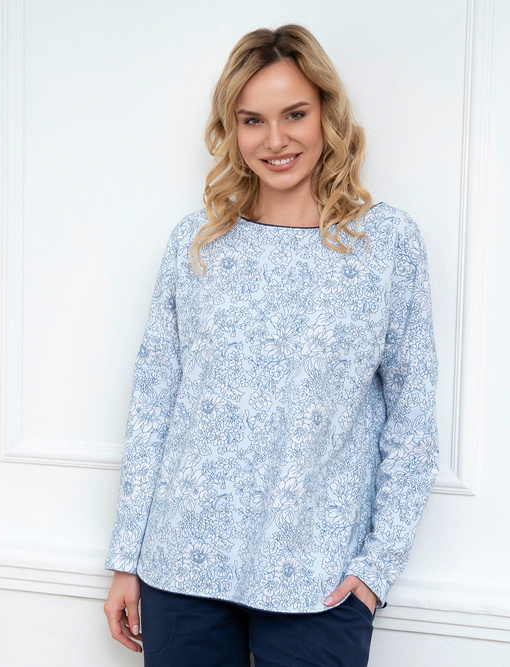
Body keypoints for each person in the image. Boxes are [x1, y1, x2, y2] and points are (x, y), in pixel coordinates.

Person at [103, 24, 439, 666]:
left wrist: (376, 569)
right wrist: (127, 559)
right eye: (252, 120)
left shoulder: (385, 246)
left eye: (295, 114)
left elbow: (412, 419)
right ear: (231, 129)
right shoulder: (196, 245)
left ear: (328, 115)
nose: (275, 139)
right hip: (180, 568)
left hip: (319, 579)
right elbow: (153, 407)